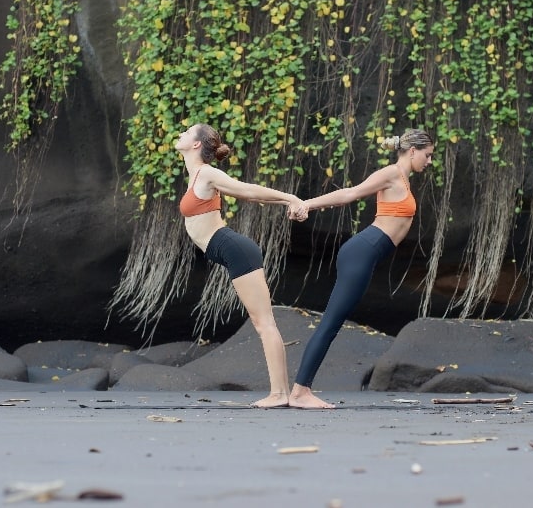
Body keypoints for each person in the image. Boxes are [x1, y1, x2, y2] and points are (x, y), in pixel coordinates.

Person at [289, 129, 435, 408]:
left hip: (367, 253)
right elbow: (350, 194)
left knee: (333, 322)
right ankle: (300, 392)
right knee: (331, 323)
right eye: (427, 155)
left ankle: (300, 390)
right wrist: (307, 203)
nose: (429, 161)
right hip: (361, 251)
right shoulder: (391, 173)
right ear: (413, 150)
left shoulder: (402, 178)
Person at [176, 123, 307, 408]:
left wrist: (290, 198)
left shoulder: (208, 173)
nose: (180, 134)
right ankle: (281, 393)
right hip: (227, 250)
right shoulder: (195, 174)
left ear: (197, 144)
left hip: (235, 249)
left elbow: (248, 191)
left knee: (264, 322)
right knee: (264, 322)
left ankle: (279, 394)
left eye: (187, 133)